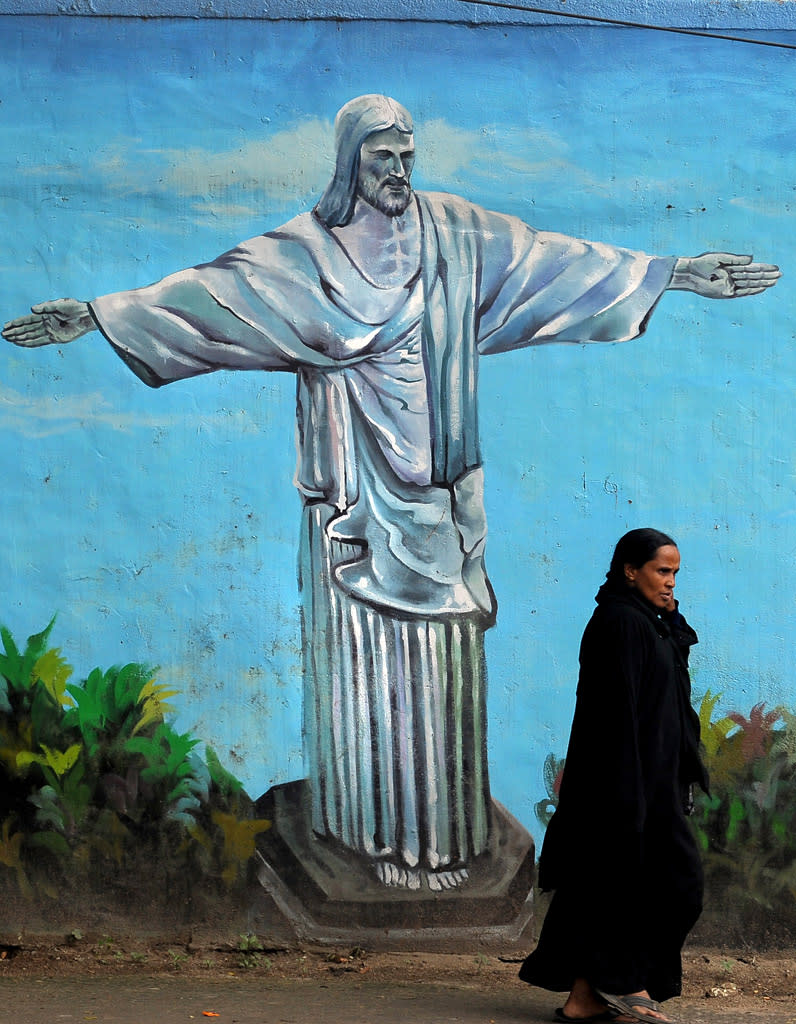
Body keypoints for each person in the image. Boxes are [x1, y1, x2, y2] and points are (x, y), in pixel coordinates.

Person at [2, 96, 777, 893]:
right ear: (351, 162)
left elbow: (555, 264)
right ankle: (367, 829)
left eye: (408, 155)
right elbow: (214, 298)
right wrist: (99, 317)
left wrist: (673, 275)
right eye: (384, 157)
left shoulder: (453, 237)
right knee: (370, 669)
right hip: (357, 498)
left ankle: (440, 838)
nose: (401, 171)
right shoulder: (306, 258)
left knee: (439, 664)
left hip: (440, 496)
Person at [519, 528, 709, 1023]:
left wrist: (668, 618)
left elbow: (669, 697)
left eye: (674, 574)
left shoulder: (649, 622)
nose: (670, 583)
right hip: (628, 785)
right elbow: (613, 716)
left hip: (656, 784)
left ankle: (584, 999)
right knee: (656, 884)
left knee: (606, 886)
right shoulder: (620, 623)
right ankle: (627, 984)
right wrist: (628, 796)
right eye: (661, 571)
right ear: (630, 570)